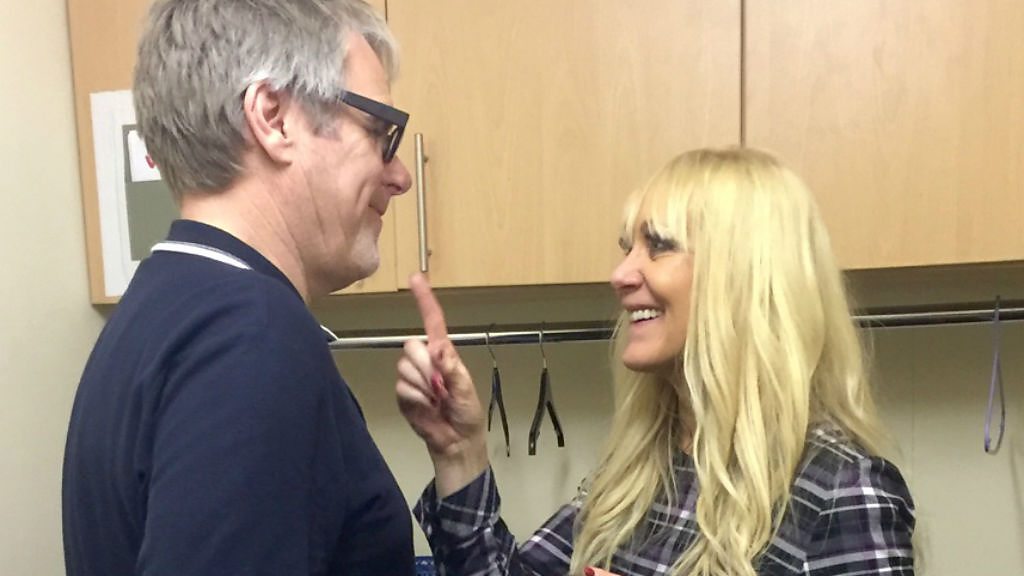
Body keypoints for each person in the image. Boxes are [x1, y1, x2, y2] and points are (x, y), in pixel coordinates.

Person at [396, 148, 916, 576]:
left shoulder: (842, 489)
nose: (621, 274)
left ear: (742, 276)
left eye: (658, 246)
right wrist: (460, 453)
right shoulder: (639, 471)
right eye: (628, 248)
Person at [62, 1, 415, 574]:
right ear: (273, 118)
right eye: (380, 132)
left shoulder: (160, 307)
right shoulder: (254, 336)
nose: (399, 175)